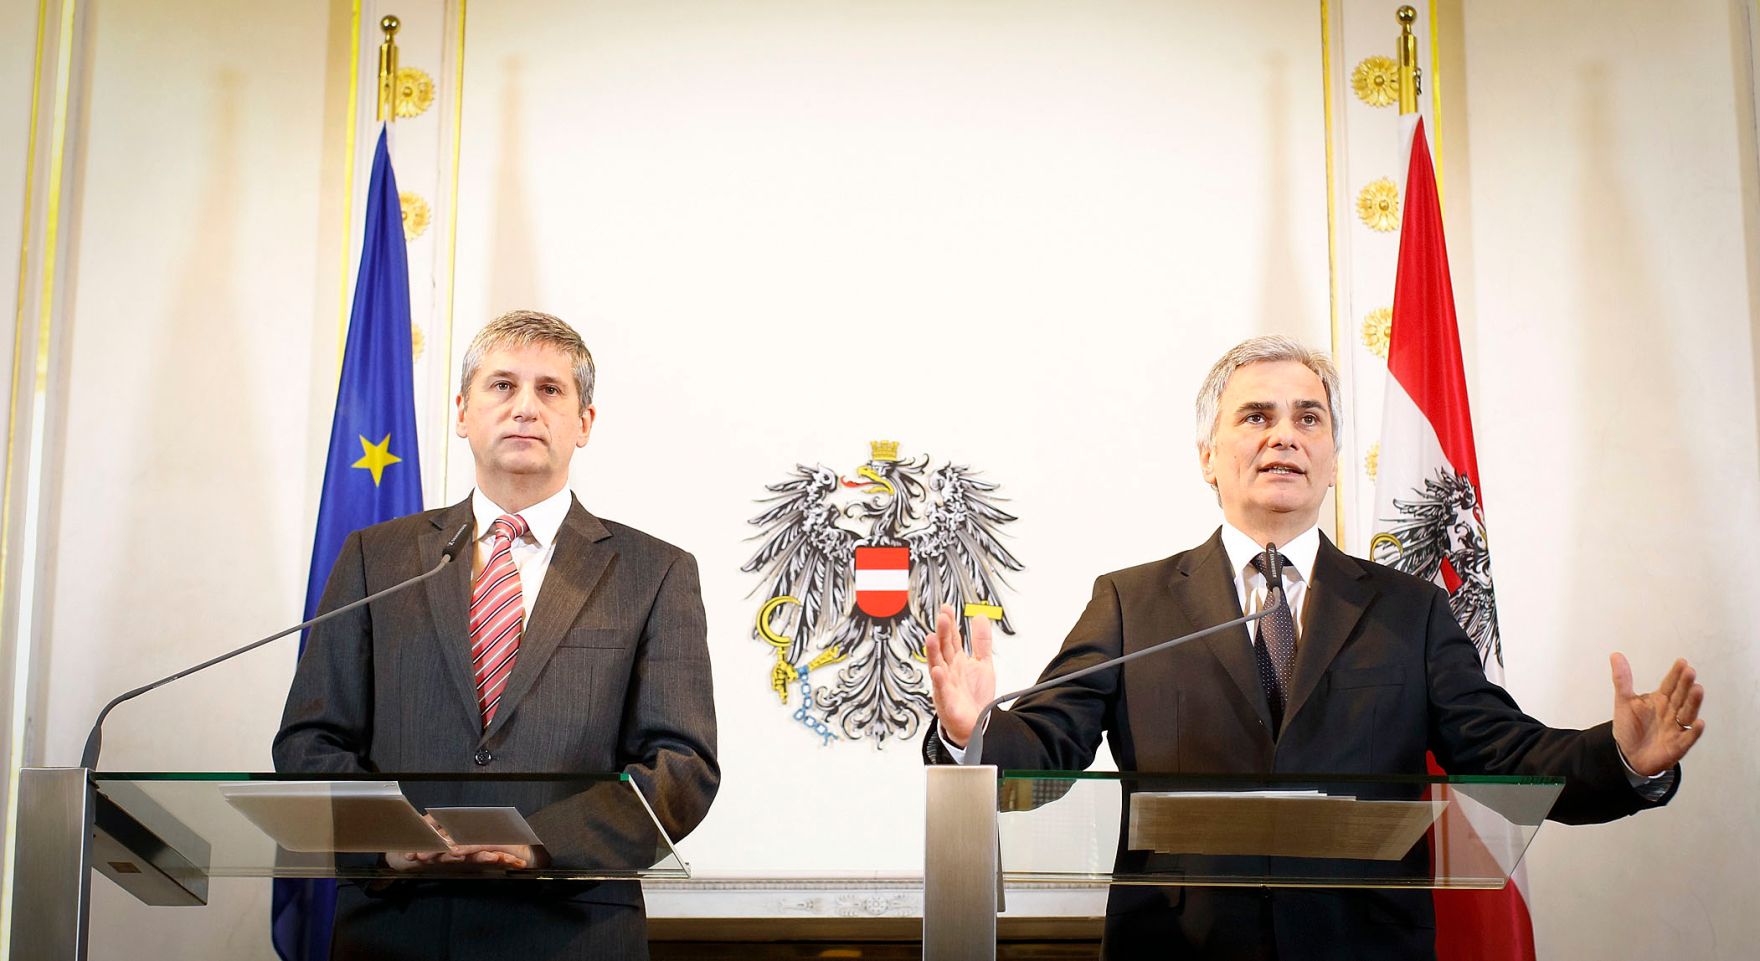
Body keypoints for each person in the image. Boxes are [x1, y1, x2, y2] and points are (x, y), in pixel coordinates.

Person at [922, 335, 1704, 961]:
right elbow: (1047, 752)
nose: (1284, 437)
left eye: (1308, 418)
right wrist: (973, 732)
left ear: (1331, 457)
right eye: (1256, 416)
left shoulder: (1411, 612)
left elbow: (1506, 756)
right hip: (1180, 947)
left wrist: (1624, 760)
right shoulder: (1132, 601)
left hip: (1363, 947)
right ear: (1207, 455)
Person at [275, 310, 718, 961]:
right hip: (395, 928)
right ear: (462, 411)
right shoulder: (379, 558)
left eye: (549, 390)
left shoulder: (655, 572)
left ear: (584, 422)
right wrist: (386, 838)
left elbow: (681, 765)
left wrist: (543, 842)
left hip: (570, 933)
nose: (525, 408)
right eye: (502, 386)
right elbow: (311, 739)